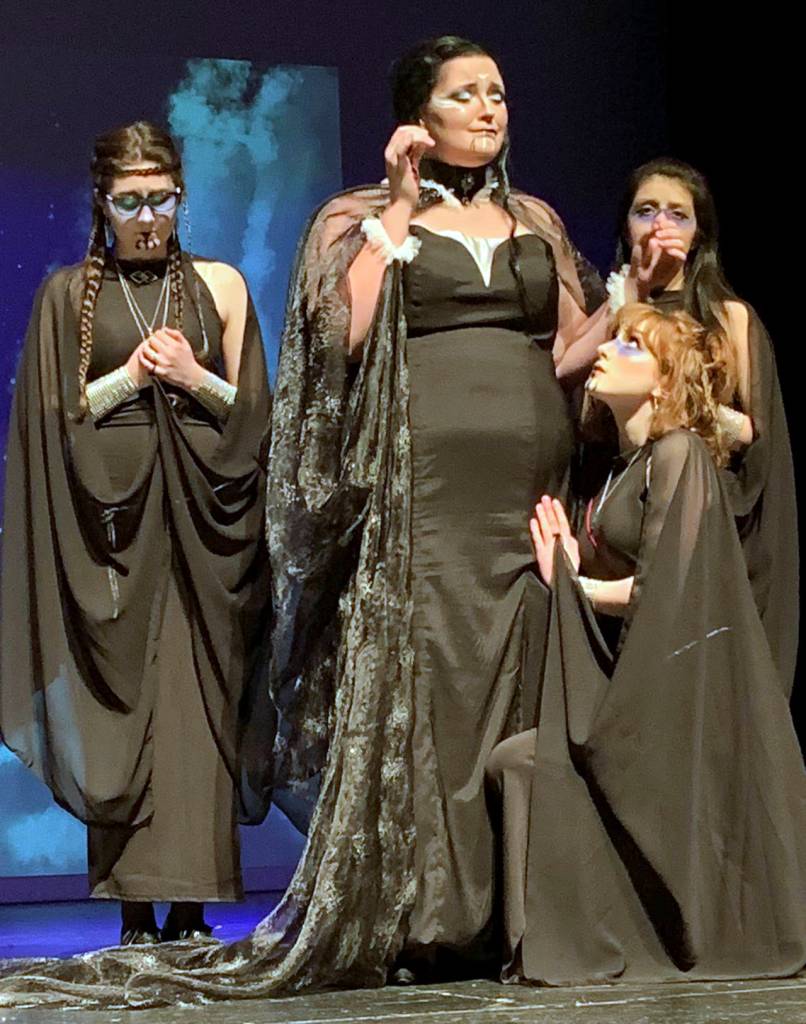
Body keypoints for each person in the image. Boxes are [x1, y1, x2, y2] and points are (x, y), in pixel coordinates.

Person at [0, 121, 272, 946]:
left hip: (204, 530)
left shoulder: (221, 284)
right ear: (103, 202)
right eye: (131, 201)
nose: (148, 216)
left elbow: (258, 417)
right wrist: (128, 378)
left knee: (195, 706)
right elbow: (54, 424)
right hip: (111, 537)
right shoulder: (63, 294)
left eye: (162, 198)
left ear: (181, 196)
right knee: (122, 705)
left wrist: (193, 378)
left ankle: (189, 909)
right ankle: (132, 910)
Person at [487, 303, 806, 984]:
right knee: (516, 760)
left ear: (664, 384)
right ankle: (542, 947)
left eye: (633, 346)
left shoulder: (682, 454)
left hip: (684, 711)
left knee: (524, 762)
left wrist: (571, 581)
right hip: (642, 688)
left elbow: (671, 592)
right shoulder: (624, 469)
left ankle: (564, 949)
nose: (608, 349)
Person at [605, 158, 798, 692]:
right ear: (626, 225)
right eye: (646, 211)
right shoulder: (619, 307)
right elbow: (594, 422)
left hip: (709, 514)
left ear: (700, 234)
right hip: (628, 520)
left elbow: (755, 435)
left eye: (678, 214)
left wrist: (681, 405)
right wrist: (629, 306)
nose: (660, 225)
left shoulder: (729, 317)